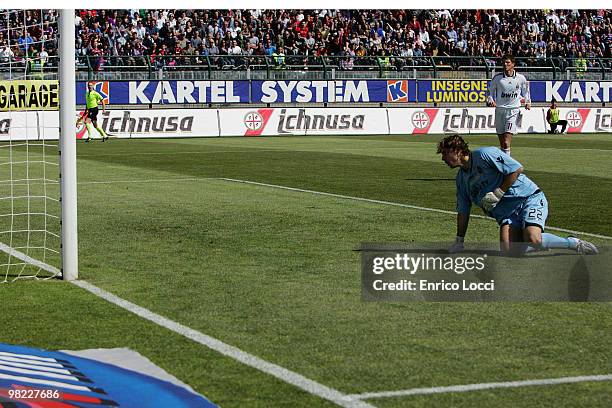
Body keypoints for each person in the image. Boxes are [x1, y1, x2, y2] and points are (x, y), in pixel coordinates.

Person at [437, 134, 598, 256]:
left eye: (445, 153)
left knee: (533, 238)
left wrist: (498, 192)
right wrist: (459, 241)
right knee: (509, 251)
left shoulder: (485, 154)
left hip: (528, 198)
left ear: (457, 150)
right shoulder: (461, 180)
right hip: (507, 215)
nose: (443, 158)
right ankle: (538, 238)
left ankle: (573, 243)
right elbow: (463, 211)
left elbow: (516, 169)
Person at [486, 54, 531, 156]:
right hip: (499, 111)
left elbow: (526, 91)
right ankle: (504, 163)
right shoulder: (497, 78)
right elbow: (490, 91)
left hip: (513, 111)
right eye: (503, 63)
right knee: (502, 143)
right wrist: (490, 99)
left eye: (507, 63)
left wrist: (528, 102)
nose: (505, 65)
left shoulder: (521, 78)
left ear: (513, 64)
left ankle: (508, 166)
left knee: (506, 142)